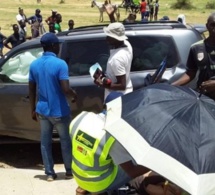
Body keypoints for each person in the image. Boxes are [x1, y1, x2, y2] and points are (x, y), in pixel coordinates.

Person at [69, 91, 149, 195]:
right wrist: (151, 165)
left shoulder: (80, 118)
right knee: (134, 162)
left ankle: (84, 187)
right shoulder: (112, 134)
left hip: (77, 174)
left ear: (103, 106)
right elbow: (132, 171)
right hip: (98, 183)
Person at [28, 32, 77, 181]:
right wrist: (74, 95)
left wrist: (32, 109)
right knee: (65, 141)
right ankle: (69, 171)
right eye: (58, 45)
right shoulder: (60, 64)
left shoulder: (34, 64)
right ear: (54, 46)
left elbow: (31, 89)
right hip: (59, 111)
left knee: (45, 142)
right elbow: (65, 89)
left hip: (42, 110)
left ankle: (49, 173)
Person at [172, 12, 215, 100]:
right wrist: (171, 87)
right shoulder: (196, 48)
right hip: (204, 98)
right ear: (207, 26)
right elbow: (190, 74)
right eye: (213, 25)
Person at [94, 22, 133, 101]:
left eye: (109, 36)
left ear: (116, 39)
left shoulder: (117, 59)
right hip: (125, 93)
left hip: (117, 97)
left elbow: (122, 85)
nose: (106, 39)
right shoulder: (127, 45)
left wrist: (101, 84)